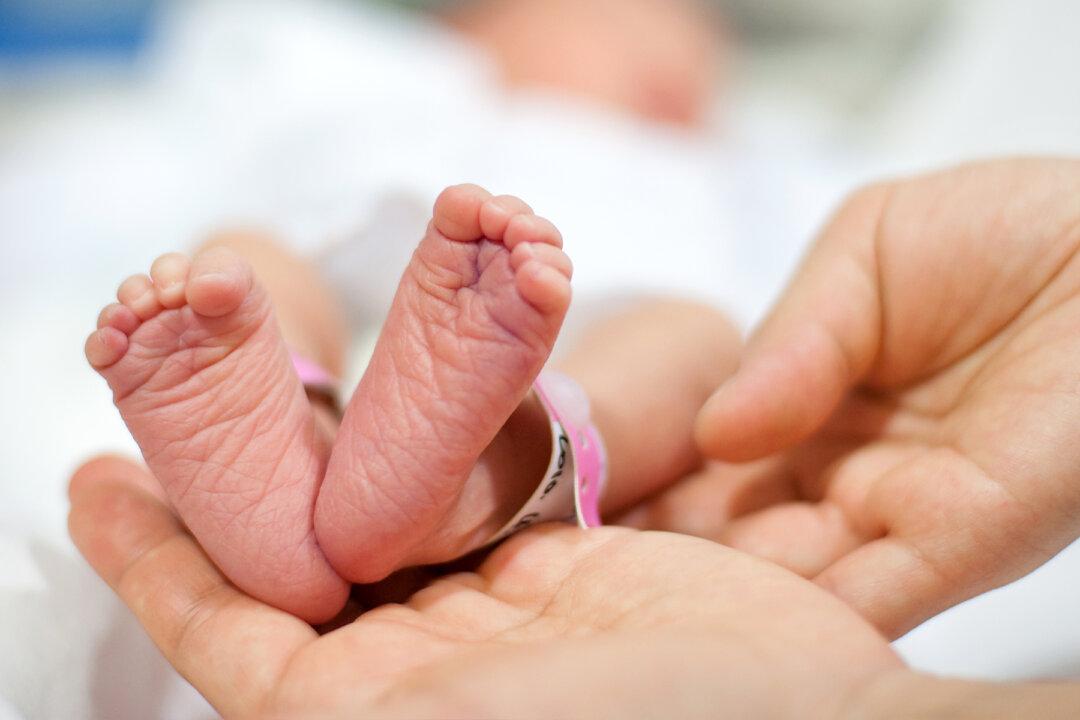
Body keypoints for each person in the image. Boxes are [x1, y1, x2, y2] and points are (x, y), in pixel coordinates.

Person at [71, 157, 1080, 716]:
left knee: (695, 335)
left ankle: (375, 458)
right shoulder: (362, 72)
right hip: (443, 284)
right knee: (245, 257)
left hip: (467, 316)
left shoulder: (710, 147)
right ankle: (408, 466)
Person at [83, 184, 740, 623]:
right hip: (437, 271)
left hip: (523, 300)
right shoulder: (405, 76)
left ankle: (402, 473)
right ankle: (336, 464)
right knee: (240, 256)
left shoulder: (715, 163)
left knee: (700, 331)